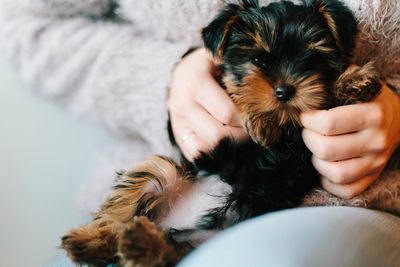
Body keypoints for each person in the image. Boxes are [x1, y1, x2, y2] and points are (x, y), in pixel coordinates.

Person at [1, 0, 399, 266]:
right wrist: (165, 79)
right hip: (190, 177)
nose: (281, 85)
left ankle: (158, 250)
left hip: (337, 214)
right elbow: (31, 28)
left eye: (308, 60)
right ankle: (110, 231)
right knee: (155, 176)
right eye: (260, 62)